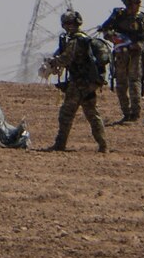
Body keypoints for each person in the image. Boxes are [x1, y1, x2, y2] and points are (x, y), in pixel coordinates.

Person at [42, 8, 110, 153]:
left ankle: (60, 145)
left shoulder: (75, 41)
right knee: (92, 114)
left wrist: (53, 63)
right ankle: (103, 145)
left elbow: (66, 59)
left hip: (79, 83)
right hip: (89, 83)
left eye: (69, 23)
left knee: (66, 114)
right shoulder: (83, 38)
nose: (68, 26)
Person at [96, 0, 144, 123]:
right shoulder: (118, 17)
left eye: (134, 4)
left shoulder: (142, 19)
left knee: (134, 83)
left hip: (135, 55)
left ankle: (135, 114)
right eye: (129, 4)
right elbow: (106, 31)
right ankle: (126, 113)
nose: (132, 7)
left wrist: (138, 46)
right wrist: (112, 37)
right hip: (120, 55)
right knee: (121, 84)